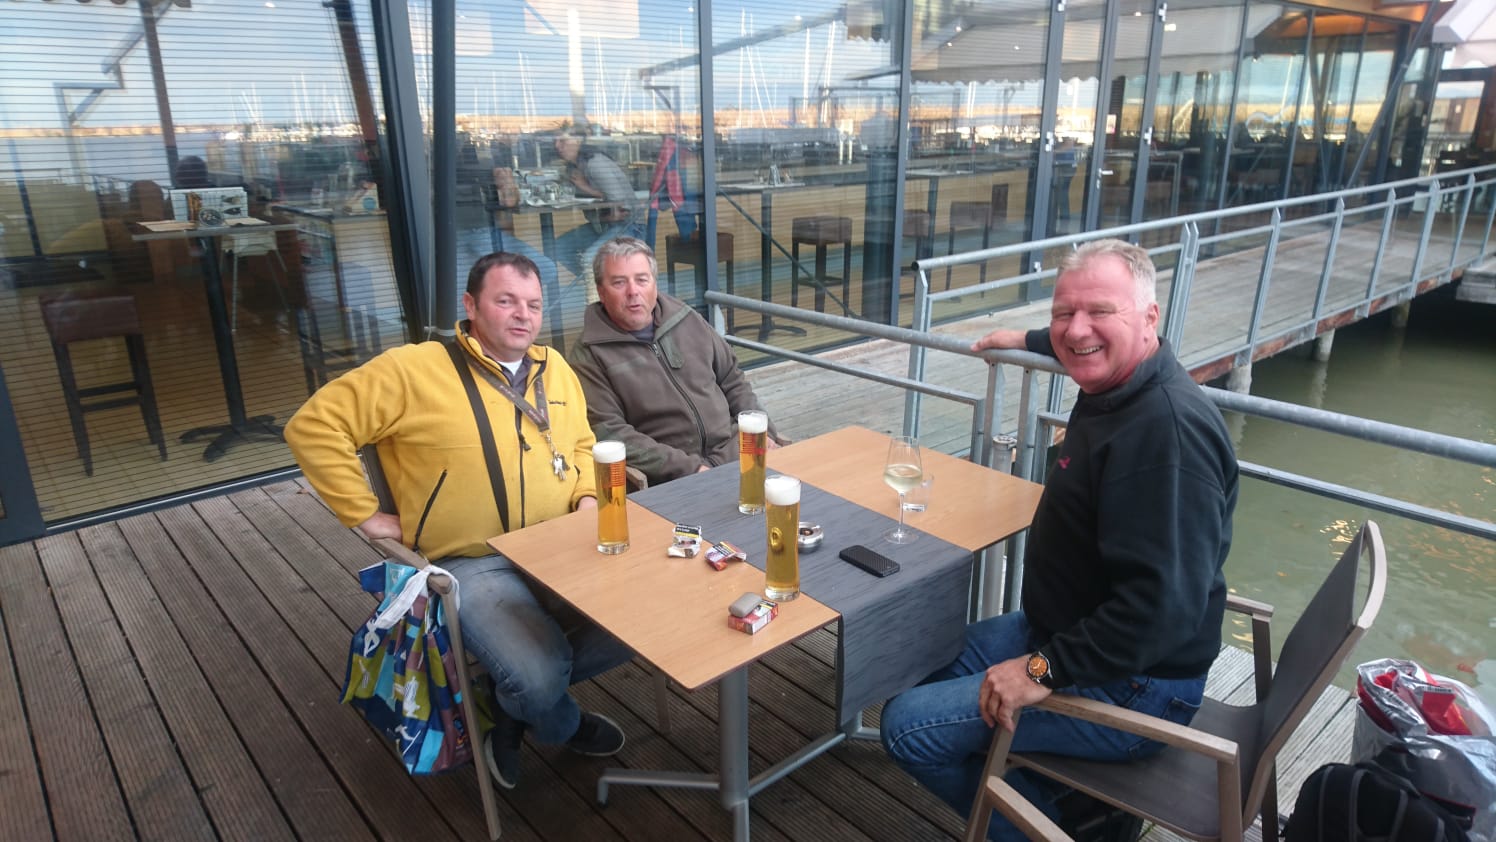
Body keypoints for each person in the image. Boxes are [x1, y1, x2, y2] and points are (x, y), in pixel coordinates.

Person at [879, 238, 1239, 839]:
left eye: (1100, 311)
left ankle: (1053, 827)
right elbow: (1080, 335)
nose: (1076, 331)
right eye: (1062, 314)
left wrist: (1040, 671)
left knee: (907, 728)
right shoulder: (1120, 383)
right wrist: (1023, 339)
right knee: (914, 663)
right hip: (1062, 633)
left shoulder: (1165, 438)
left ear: (1150, 317)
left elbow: (1161, 611)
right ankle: (1070, 799)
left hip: (1132, 683)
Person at [284, 251, 632, 792]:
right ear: (470, 306)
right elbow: (313, 426)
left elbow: (584, 444)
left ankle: (506, 699)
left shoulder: (555, 368)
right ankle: (553, 714)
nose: (523, 315)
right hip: (472, 560)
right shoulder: (414, 369)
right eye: (506, 301)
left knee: (645, 624)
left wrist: (588, 495)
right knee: (537, 677)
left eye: (533, 304)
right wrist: (365, 515)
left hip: (560, 543)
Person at [568, 237, 780, 486]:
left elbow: (732, 380)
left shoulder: (686, 319)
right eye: (619, 282)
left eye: (641, 279)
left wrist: (763, 432)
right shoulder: (589, 354)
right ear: (601, 292)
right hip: (676, 480)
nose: (633, 291)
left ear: (654, 284)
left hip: (740, 453)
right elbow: (611, 432)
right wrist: (691, 469)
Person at [455, 140, 559, 306]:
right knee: (546, 268)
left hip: (466, 236)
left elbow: (509, 203)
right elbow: (510, 202)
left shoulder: (437, 168)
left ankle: (503, 306)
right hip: (478, 233)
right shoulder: (484, 165)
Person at [552, 132, 647, 287]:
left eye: (562, 141)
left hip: (629, 226)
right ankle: (599, 286)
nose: (557, 146)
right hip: (602, 225)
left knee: (590, 259)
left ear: (578, 141)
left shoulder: (595, 163)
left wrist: (584, 187)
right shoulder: (574, 167)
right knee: (558, 247)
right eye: (555, 141)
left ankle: (603, 288)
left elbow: (621, 206)